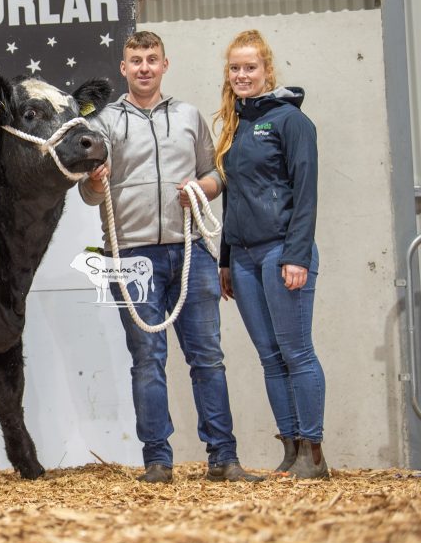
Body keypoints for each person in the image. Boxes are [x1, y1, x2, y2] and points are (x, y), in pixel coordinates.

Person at [80, 31, 262, 483]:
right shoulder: (102, 123)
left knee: (208, 359)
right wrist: (97, 183)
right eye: (135, 60)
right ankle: (157, 461)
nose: (144, 67)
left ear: (165, 64)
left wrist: (202, 189)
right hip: (128, 255)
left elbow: (213, 174)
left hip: (192, 250)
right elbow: (87, 192)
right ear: (123, 69)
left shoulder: (188, 116)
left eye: (152, 59)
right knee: (147, 360)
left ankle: (224, 458)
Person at [213, 30, 328, 479]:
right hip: (242, 259)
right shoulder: (235, 125)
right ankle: (291, 446)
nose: (242, 75)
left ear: (267, 71)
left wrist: (296, 255)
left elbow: (306, 194)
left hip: (282, 252)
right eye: (235, 68)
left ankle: (314, 455)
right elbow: (232, 199)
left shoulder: (290, 122)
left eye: (250, 68)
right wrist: (225, 260)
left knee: (296, 351)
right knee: (269, 356)